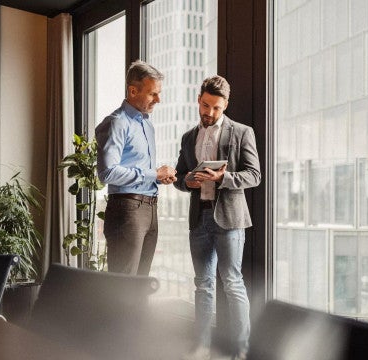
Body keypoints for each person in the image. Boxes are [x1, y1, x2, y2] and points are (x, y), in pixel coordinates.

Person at [174, 75, 261, 360]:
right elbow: (179, 176)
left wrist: (224, 177)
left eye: (216, 108)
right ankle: (201, 346)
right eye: (206, 105)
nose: (209, 113)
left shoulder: (241, 132)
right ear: (198, 100)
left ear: (225, 106)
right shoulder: (188, 137)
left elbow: (254, 175)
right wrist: (189, 181)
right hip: (199, 219)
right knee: (203, 284)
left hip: (230, 219)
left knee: (232, 283)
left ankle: (241, 351)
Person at [95, 60, 176, 276]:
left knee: (140, 285)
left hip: (150, 208)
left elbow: (135, 167)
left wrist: (158, 177)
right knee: (123, 287)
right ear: (133, 90)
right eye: (153, 94)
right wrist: (153, 173)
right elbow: (107, 172)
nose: (158, 99)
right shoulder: (116, 123)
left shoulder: (146, 124)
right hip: (127, 210)